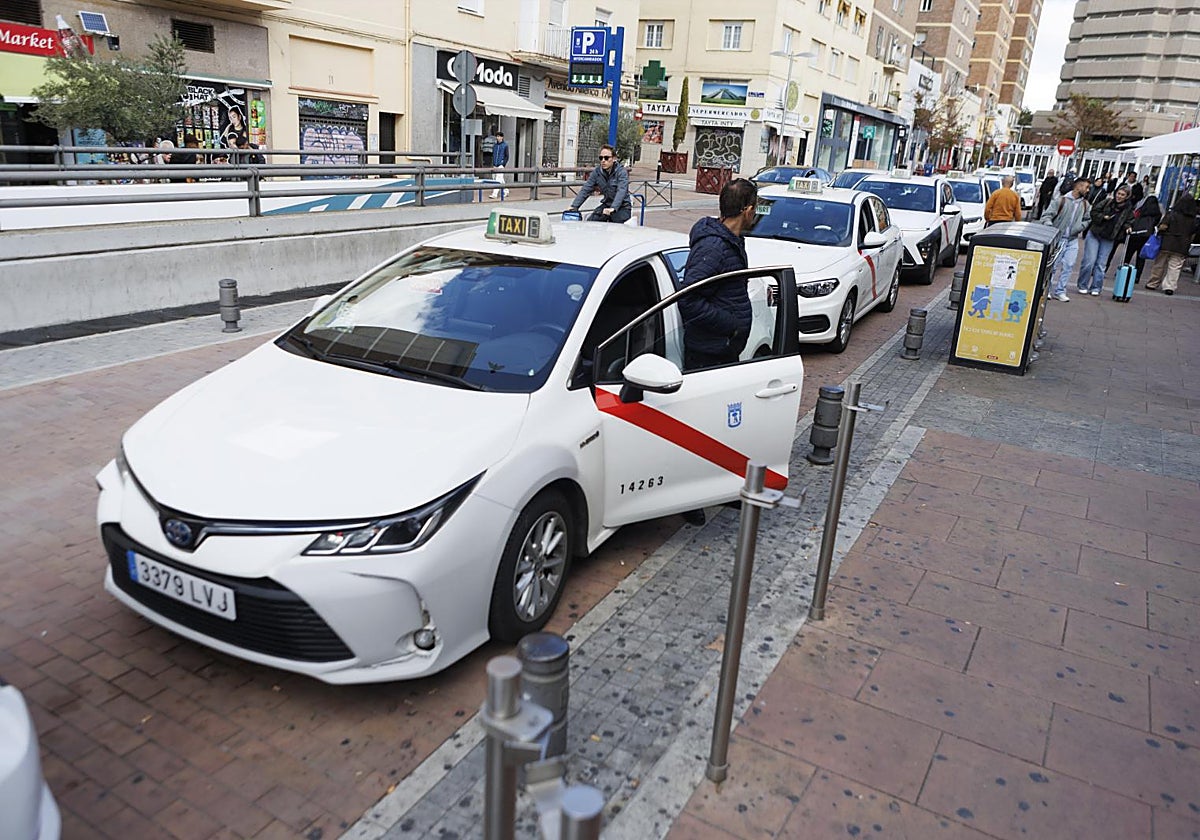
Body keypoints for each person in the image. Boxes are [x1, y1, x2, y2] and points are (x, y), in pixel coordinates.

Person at [678, 178, 758, 370]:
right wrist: (732, 326)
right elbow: (688, 299)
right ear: (747, 211)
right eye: (755, 209)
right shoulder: (714, 247)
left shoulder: (732, 241)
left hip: (722, 349)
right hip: (709, 354)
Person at [1076, 184, 1133, 296]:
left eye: (1122, 195)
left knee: (1101, 264)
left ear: (1127, 197)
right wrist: (1103, 217)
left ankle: (1096, 287)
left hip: (1109, 237)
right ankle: (1082, 285)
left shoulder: (1128, 209)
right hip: (1095, 233)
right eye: (1118, 193)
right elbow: (1094, 212)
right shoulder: (1107, 202)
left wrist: (1128, 227)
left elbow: (1129, 221)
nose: (1119, 196)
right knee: (1089, 261)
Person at [1043, 176, 1092, 302]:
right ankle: (1047, 289)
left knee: (1069, 265)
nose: (1087, 190)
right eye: (1086, 187)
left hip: (1072, 239)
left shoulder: (1085, 204)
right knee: (1053, 266)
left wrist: (1080, 227)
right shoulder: (1061, 200)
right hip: (1058, 238)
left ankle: (1060, 291)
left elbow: (1087, 219)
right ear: (1078, 186)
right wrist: (1049, 226)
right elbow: (1047, 215)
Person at [1144, 191, 1199, 296]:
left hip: (1166, 243)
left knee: (1159, 264)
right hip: (1182, 245)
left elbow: (1162, 226)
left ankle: (1153, 283)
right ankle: (1169, 286)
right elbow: (1193, 233)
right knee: (1175, 267)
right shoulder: (1193, 219)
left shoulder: (1171, 214)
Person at [568, 144, 632, 222]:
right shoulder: (597, 172)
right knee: (592, 221)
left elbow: (621, 191)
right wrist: (574, 206)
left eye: (606, 158)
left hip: (623, 207)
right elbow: (586, 189)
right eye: (601, 158)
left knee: (615, 222)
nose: (603, 160)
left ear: (614, 158)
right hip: (607, 205)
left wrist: (613, 208)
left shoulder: (621, 172)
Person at [1122, 194, 1161, 280]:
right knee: (1141, 257)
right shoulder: (1157, 214)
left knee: (1129, 254)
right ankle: (1137, 276)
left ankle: (1123, 271)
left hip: (1135, 234)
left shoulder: (1141, 210)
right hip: (1146, 236)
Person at [488, 130, 510, 200]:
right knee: (499, 179)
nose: (498, 138)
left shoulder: (505, 145)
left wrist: (503, 164)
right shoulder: (495, 146)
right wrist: (493, 163)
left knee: (498, 179)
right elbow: (493, 155)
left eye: (499, 136)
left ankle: (494, 194)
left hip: (500, 165)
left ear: (502, 137)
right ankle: (506, 191)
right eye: (497, 136)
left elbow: (507, 156)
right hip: (495, 164)